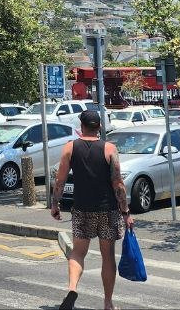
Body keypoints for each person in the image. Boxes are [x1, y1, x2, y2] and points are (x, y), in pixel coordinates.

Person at [50, 110, 133, 310]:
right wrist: (126, 212)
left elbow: (60, 180)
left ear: (81, 127)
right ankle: (108, 303)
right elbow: (118, 184)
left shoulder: (70, 148)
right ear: (100, 128)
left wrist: (55, 204)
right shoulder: (109, 149)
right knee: (107, 256)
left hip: (81, 209)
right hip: (107, 210)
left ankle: (72, 288)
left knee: (78, 253)